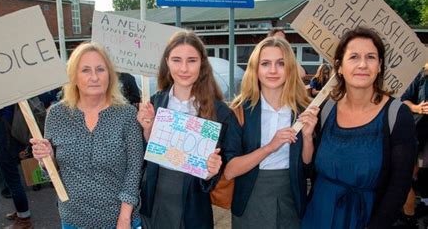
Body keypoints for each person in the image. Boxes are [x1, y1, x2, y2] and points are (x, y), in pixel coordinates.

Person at [301, 27, 417, 228]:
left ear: (379, 66)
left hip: (365, 220)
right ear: (339, 66)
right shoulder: (326, 110)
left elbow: (399, 186)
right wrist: (307, 138)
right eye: (353, 57)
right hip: (317, 216)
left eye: (371, 57)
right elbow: (310, 171)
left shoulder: (397, 115)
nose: (363, 64)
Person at [31, 42, 143, 229]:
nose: (94, 77)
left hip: (119, 220)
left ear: (110, 75)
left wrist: (125, 218)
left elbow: (134, 170)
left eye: (100, 69)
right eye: (85, 70)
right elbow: (51, 173)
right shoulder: (57, 115)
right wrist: (46, 159)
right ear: (73, 76)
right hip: (73, 219)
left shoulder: (127, 114)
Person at [137, 30, 236, 229]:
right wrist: (147, 129)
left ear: (202, 63)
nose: (184, 68)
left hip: (193, 208)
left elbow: (218, 168)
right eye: (176, 60)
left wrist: (211, 171)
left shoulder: (221, 113)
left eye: (191, 60)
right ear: (167, 62)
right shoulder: (154, 103)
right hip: (154, 202)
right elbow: (144, 155)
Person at [223, 36, 318, 228]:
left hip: (291, 196)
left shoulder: (304, 110)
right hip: (250, 198)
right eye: (265, 63)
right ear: (255, 69)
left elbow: (308, 168)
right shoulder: (239, 110)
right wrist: (270, 147)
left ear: (290, 68)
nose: (273, 70)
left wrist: (308, 138)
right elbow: (230, 170)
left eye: (280, 63)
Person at [0, 105, 32, 229]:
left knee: (13, 180)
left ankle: (24, 220)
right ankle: (21, 212)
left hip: (4, 141)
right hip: (7, 138)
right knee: (13, 179)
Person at [395, 63, 428, 226]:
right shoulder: (422, 75)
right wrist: (416, 107)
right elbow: (403, 99)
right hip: (419, 134)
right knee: (406, 176)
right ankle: (409, 217)